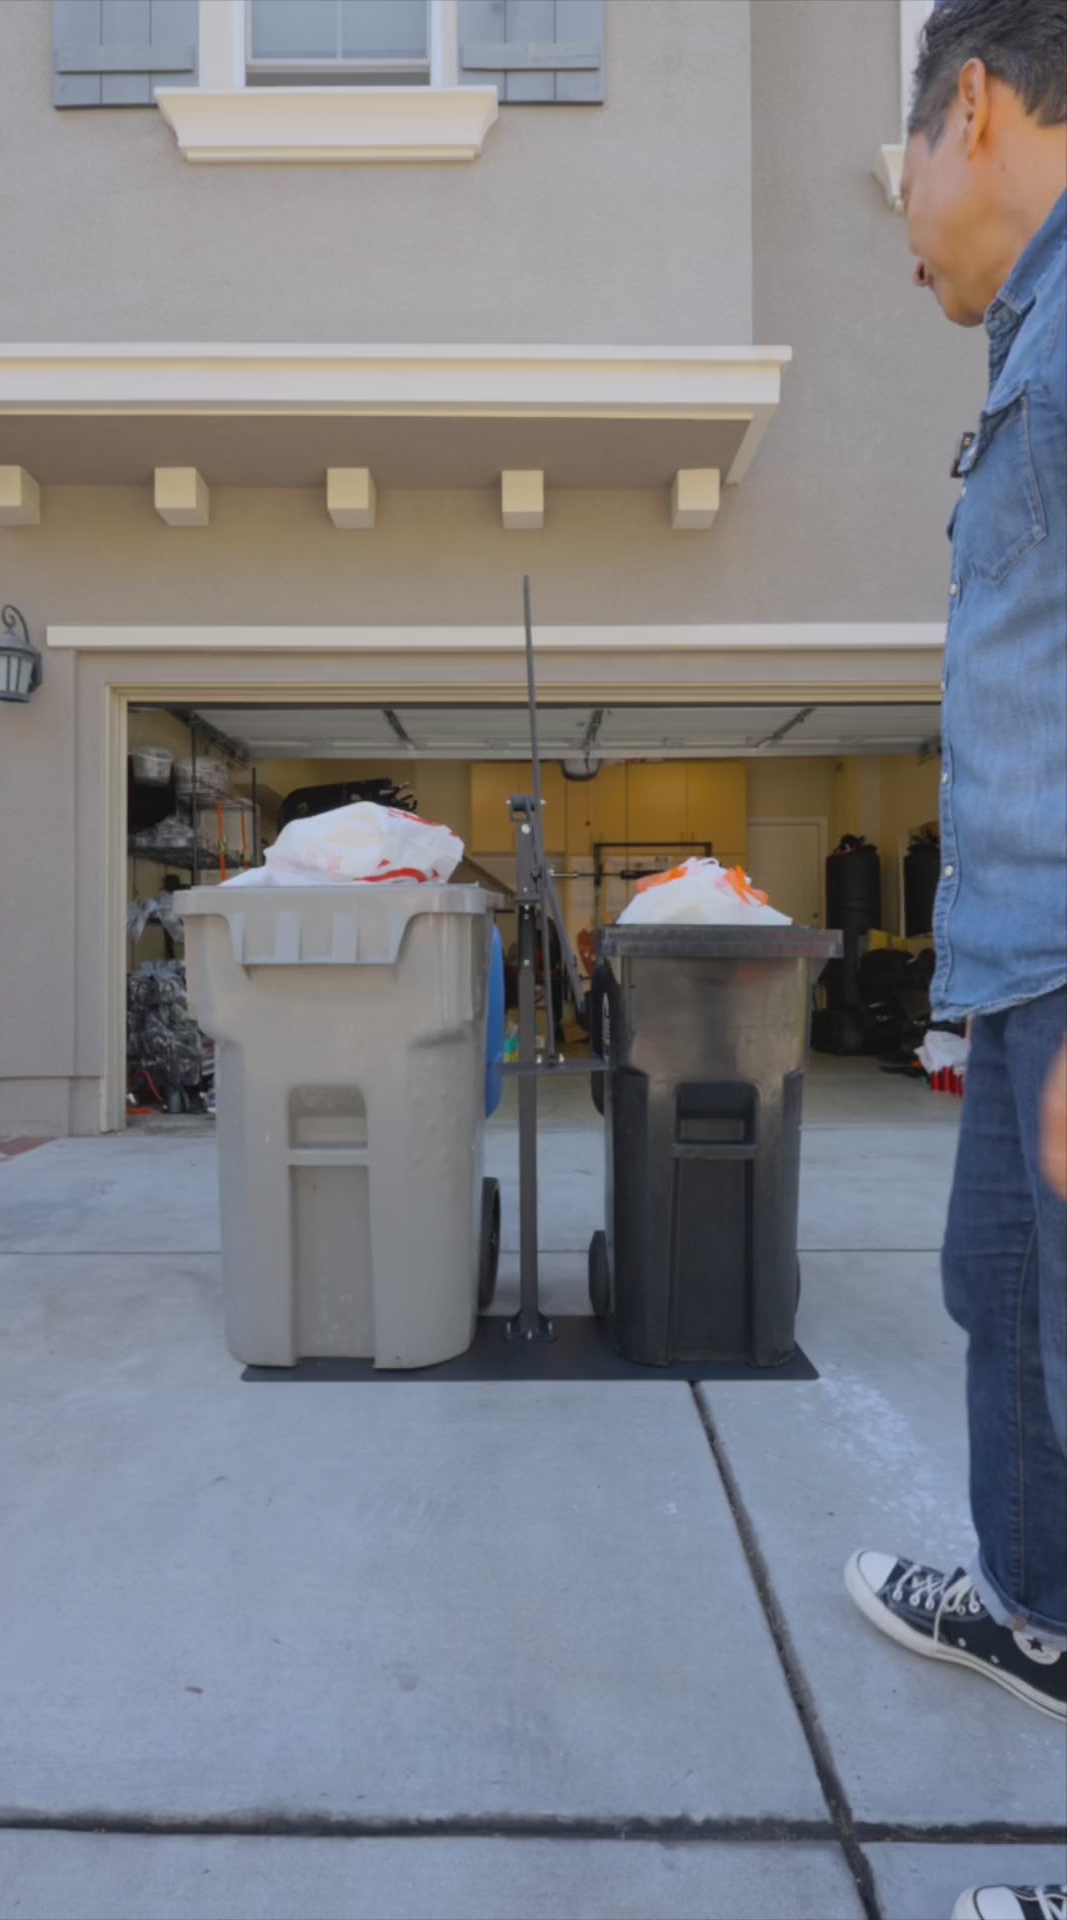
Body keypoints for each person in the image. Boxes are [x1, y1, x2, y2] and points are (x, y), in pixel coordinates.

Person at [840, 5, 1066, 1917]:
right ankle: (1036, 1615)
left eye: (900, 164)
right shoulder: (1032, 339)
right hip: (1018, 966)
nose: (900, 212)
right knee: (1002, 1300)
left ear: (970, 108)